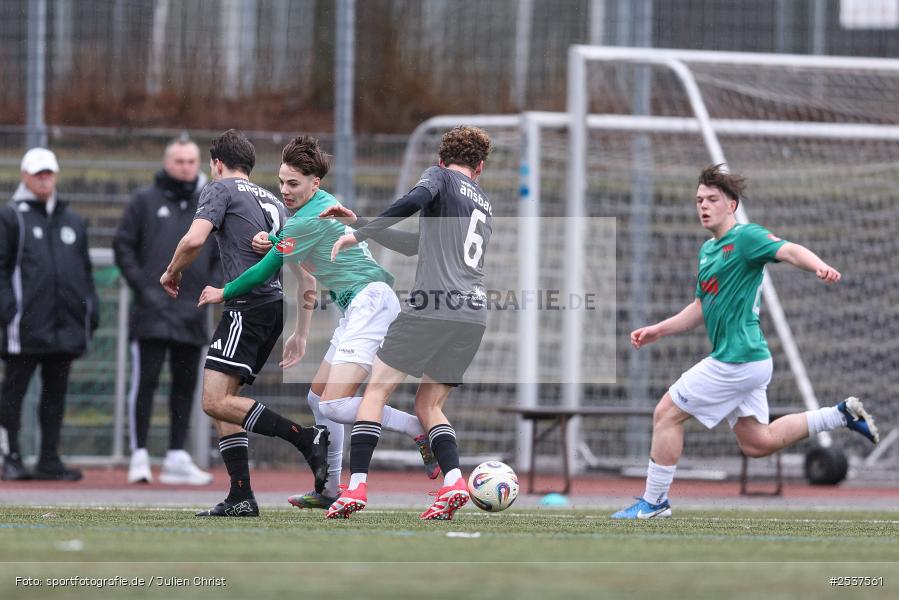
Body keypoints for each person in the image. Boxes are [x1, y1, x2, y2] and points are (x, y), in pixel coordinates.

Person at [611, 164, 879, 520]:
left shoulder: (746, 238)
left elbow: (789, 250)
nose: (703, 206)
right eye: (698, 200)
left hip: (737, 359)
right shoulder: (708, 251)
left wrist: (818, 266)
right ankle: (839, 414)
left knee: (666, 414)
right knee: (758, 443)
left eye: (712, 199)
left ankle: (655, 502)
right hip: (747, 361)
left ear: (731, 205)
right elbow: (700, 308)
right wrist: (658, 330)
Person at [197, 135, 439, 509]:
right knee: (317, 397)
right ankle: (329, 489)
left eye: (293, 183)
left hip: (369, 302)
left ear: (315, 183)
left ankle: (416, 428)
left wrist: (223, 292)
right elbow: (296, 253)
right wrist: (274, 241)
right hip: (361, 304)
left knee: (332, 405)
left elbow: (265, 271)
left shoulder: (304, 221)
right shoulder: (316, 209)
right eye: (281, 181)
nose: (284, 190)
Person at [322, 125, 494, 520]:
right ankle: (454, 481)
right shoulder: (484, 202)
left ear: (440, 159)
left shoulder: (439, 177)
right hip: (473, 314)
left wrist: (362, 230)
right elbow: (419, 244)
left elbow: (415, 198)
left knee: (374, 393)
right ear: (480, 166)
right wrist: (361, 223)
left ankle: (356, 488)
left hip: (433, 306)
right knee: (428, 404)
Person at [160, 129, 328, 517]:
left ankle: (305, 439)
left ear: (217, 164)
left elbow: (192, 240)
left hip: (247, 306)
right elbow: (306, 276)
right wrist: (300, 333)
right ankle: (241, 495)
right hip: (271, 308)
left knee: (213, 400)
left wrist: (172, 272)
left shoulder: (220, 189)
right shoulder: (274, 200)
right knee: (224, 404)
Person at [114, 136, 220, 486]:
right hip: (151, 313)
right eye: (179, 161)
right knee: (145, 382)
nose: (186, 167)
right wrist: (145, 289)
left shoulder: (211, 202)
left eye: (192, 161)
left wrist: (209, 290)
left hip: (192, 313)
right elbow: (123, 247)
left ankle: (177, 455)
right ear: (166, 162)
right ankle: (140, 455)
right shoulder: (144, 201)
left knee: (185, 385)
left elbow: (220, 253)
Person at [0, 148, 99, 481]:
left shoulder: (72, 220)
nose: (44, 179)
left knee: (55, 395)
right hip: (24, 326)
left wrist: (89, 311)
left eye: (48, 173)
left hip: (65, 325)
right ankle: (9, 455)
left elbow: (84, 271)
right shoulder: (12, 217)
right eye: (38, 173)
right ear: (25, 177)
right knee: (13, 392)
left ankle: (49, 458)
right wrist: (10, 311)